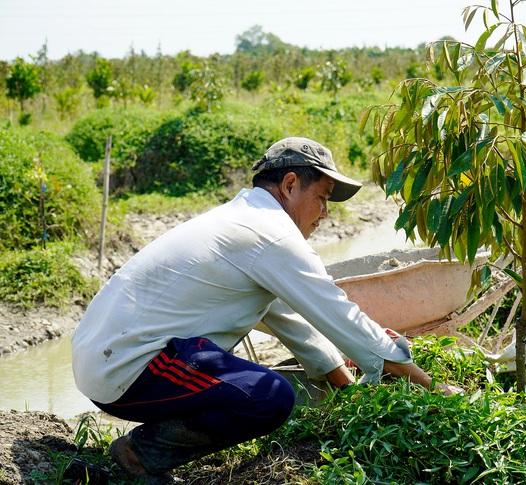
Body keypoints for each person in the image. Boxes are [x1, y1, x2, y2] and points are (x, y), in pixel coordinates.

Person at [71, 136, 462, 483]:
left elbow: (281, 313)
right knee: (269, 396)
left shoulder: (244, 220)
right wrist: (432, 389)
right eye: (322, 198)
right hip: (127, 369)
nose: (325, 214)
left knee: (254, 385)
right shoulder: (271, 234)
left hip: (103, 358)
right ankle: (140, 455)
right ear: (290, 185)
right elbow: (343, 317)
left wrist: (341, 383)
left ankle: (147, 447)